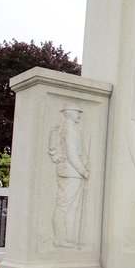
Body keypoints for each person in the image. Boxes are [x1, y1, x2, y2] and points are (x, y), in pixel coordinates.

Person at [49, 103, 89, 249]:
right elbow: (72, 155)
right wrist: (83, 170)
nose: (79, 115)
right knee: (64, 206)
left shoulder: (62, 129)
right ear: (70, 113)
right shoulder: (69, 130)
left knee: (72, 206)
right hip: (72, 172)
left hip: (70, 172)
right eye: (77, 112)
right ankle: (60, 239)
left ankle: (68, 236)